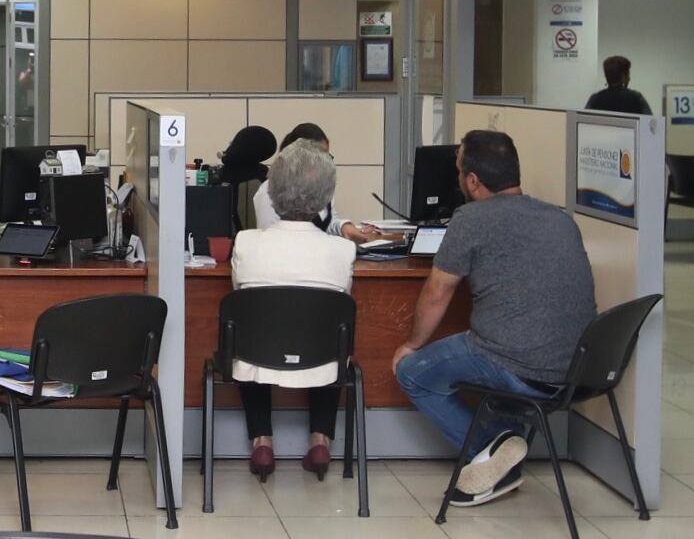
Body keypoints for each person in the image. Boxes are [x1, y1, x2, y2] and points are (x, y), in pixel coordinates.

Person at [392, 130, 597, 506]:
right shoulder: (560, 219)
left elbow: (437, 293)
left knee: (412, 371)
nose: (457, 178)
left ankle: (492, 448)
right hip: (577, 371)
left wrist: (411, 344)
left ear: (472, 181)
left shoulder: (471, 219)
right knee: (499, 343)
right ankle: (504, 442)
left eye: (458, 171)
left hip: (517, 367)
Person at [228, 143, 355, 480]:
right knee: (329, 335)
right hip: (322, 360)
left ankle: (262, 441)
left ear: (273, 192)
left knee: (252, 332)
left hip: (257, 357)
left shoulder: (245, 242)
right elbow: (341, 301)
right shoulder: (343, 250)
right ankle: (320, 440)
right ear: (325, 195)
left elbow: (240, 294)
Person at [250, 122, 389, 242]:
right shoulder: (270, 191)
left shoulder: (320, 184)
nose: (325, 162)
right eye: (320, 156)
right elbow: (269, 239)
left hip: (319, 252)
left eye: (327, 156)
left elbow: (326, 219)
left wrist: (343, 227)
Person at [585, 56, 652, 115]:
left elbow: (584, 121)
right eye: (628, 73)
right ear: (623, 76)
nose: (629, 78)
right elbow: (649, 121)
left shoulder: (595, 99)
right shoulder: (636, 98)